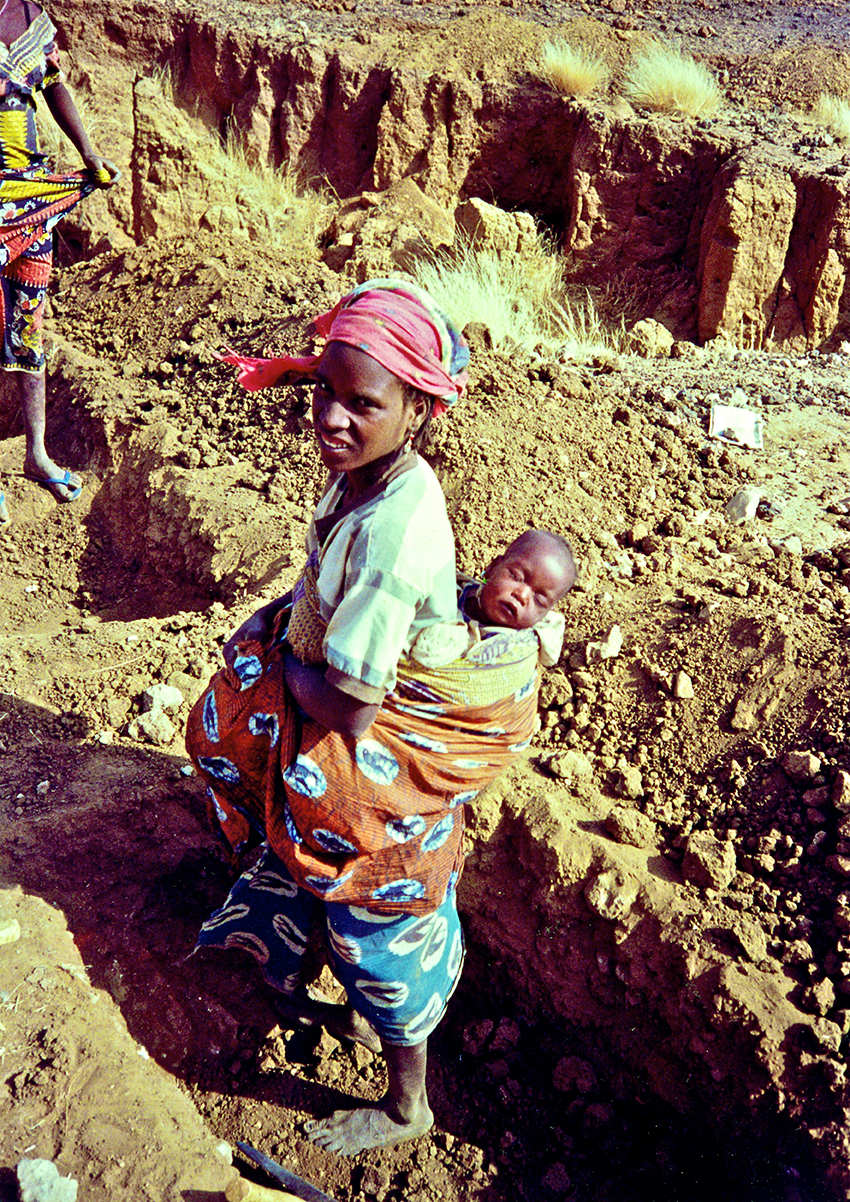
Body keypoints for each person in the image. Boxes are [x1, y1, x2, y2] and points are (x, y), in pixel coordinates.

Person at [185, 281, 573, 1158]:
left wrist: (280, 667)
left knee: (378, 927)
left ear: (418, 410)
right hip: (348, 717)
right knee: (307, 859)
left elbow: (354, 709)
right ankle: (299, 972)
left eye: (364, 403)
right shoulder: (367, 478)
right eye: (326, 390)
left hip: (376, 759)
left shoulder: (398, 528)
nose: (333, 415)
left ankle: (408, 1106)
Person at [0, 0, 118, 527]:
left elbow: (52, 84)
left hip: (30, 193)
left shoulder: (25, 11)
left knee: (30, 326)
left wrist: (87, 152)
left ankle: (37, 453)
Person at [411, 528, 577, 670]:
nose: (522, 595)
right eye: (516, 576)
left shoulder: (514, 647)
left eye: (539, 600)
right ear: (492, 567)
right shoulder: (455, 593)